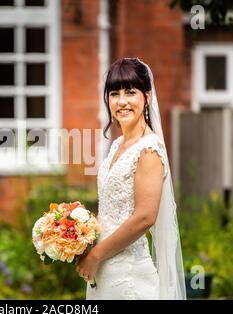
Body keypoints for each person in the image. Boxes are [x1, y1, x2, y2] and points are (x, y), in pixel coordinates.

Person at [76, 57, 186, 300]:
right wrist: (78, 235)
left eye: (130, 92)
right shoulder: (117, 145)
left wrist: (95, 256)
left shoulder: (148, 149)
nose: (122, 101)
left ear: (146, 97)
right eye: (114, 93)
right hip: (104, 272)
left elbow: (144, 217)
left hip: (128, 277)